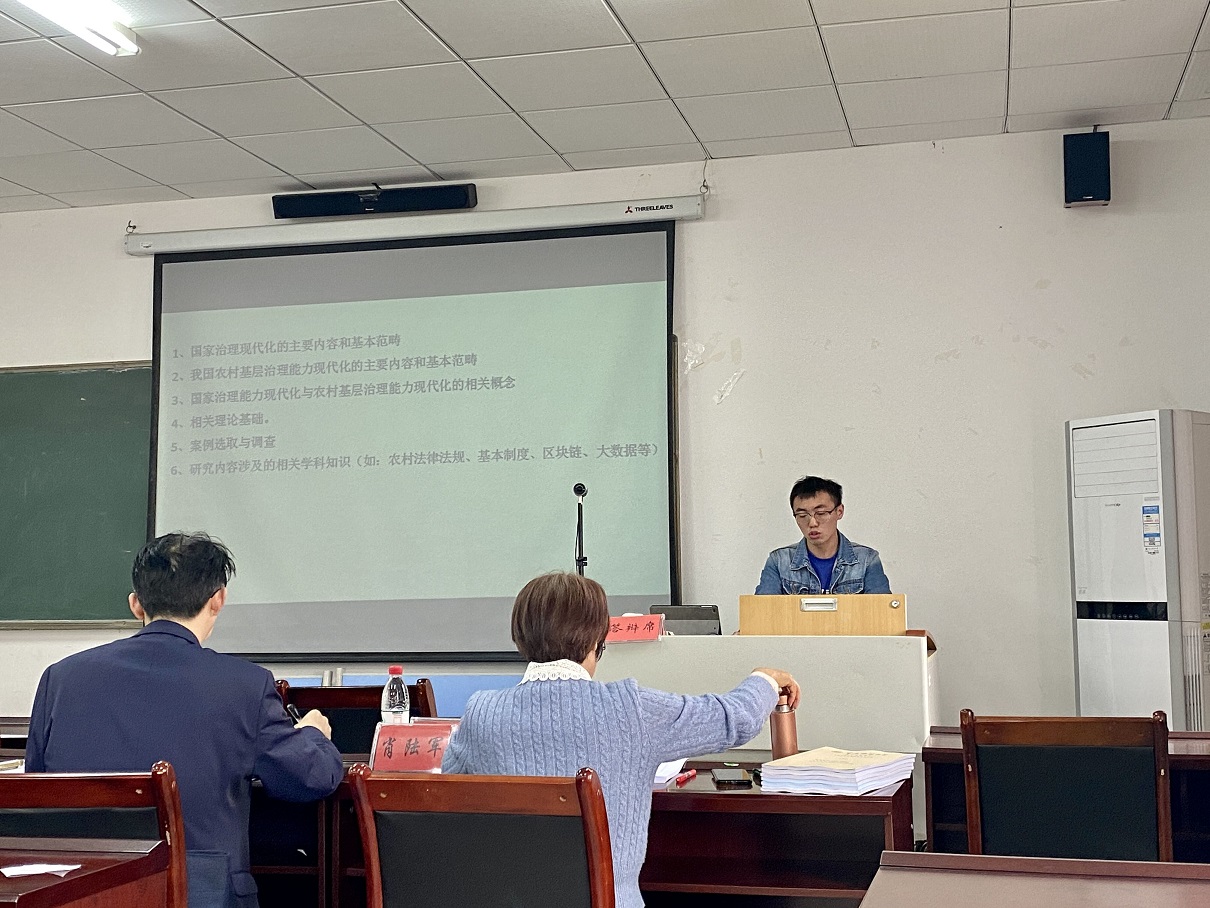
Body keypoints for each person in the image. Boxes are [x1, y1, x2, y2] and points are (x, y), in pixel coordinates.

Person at [442, 571, 799, 908]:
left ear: (519, 636)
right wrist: (765, 679)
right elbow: (733, 718)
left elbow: (449, 803)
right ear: (597, 639)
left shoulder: (481, 712)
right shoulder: (630, 708)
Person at [25, 533, 344, 908]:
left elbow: (38, 787)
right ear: (218, 599)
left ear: (136, 604)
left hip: (80, 893)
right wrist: (312, 733)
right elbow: (310, 778)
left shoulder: (60, 679)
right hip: (202, 894)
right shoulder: (245, 685)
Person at [756, 475, 890, 595]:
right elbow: (762, 611)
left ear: (839, 511)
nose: (812, 523)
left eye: (821, 513)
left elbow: (881, 611)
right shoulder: (780, 561)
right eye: (802, 515)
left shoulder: (866, 560)